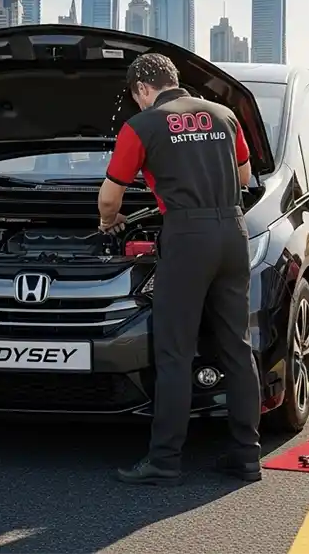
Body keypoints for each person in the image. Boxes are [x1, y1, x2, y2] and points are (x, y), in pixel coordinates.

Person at [98, 52, 262, 486]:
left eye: (136, 98)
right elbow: (245, 177)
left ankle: (165, 461)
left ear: (142, 90)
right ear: (173, 79)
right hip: (232, 232)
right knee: (237, 347)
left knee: (175, 353)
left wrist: (107, 223)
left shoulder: (143, 125)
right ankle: (246, 457)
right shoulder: (225, 116)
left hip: (187, 239)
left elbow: (109, 198)